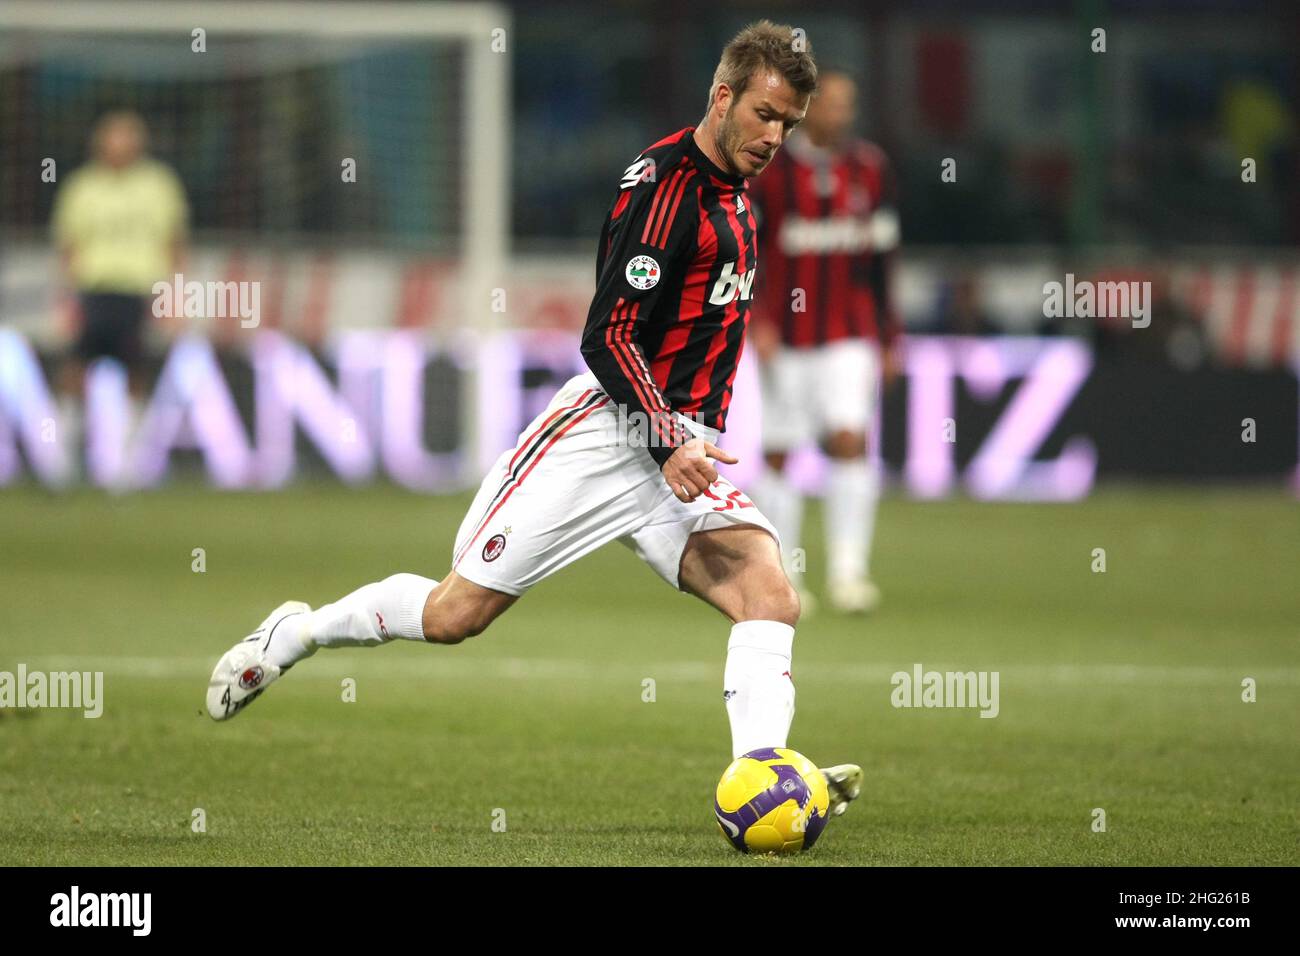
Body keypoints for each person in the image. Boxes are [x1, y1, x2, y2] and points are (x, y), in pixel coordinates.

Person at [205, 21, 861, 824]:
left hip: (675, 449)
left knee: (772, 598)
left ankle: (764, 782)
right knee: (455, 617)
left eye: (789, 124)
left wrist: (679, 436)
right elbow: (607, 335)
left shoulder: (739, 192)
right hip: (609, 434)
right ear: (723, 96)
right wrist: (663, 434)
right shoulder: (662, 189)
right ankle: (297, 633)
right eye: (765, 115)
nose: (776, 136)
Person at [747, 70, 901, 614]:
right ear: (808, 109)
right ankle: (784, 573)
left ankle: (849, 572)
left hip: (850, 333)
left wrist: (890, 337)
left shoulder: (870, 169)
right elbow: (748, 251)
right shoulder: (771, 172)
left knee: (849, 437)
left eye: (847, 104)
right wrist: (757, 318)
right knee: (782, 453)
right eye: (829, 104)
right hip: (786, 335)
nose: (839, 114)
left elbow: (883, 262)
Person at [51, 111, 188, 474]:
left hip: (137, 293)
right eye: (115, 136)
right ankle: (63, 464)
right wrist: (65, 299)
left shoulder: (159, 184)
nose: (121, 145)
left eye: (128, 137)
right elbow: (69, 247)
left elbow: (174, 244)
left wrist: (174, 297)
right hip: (93, 292)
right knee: (73, 373)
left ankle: (128, 468)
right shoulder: (81, 186)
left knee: (136, 376)